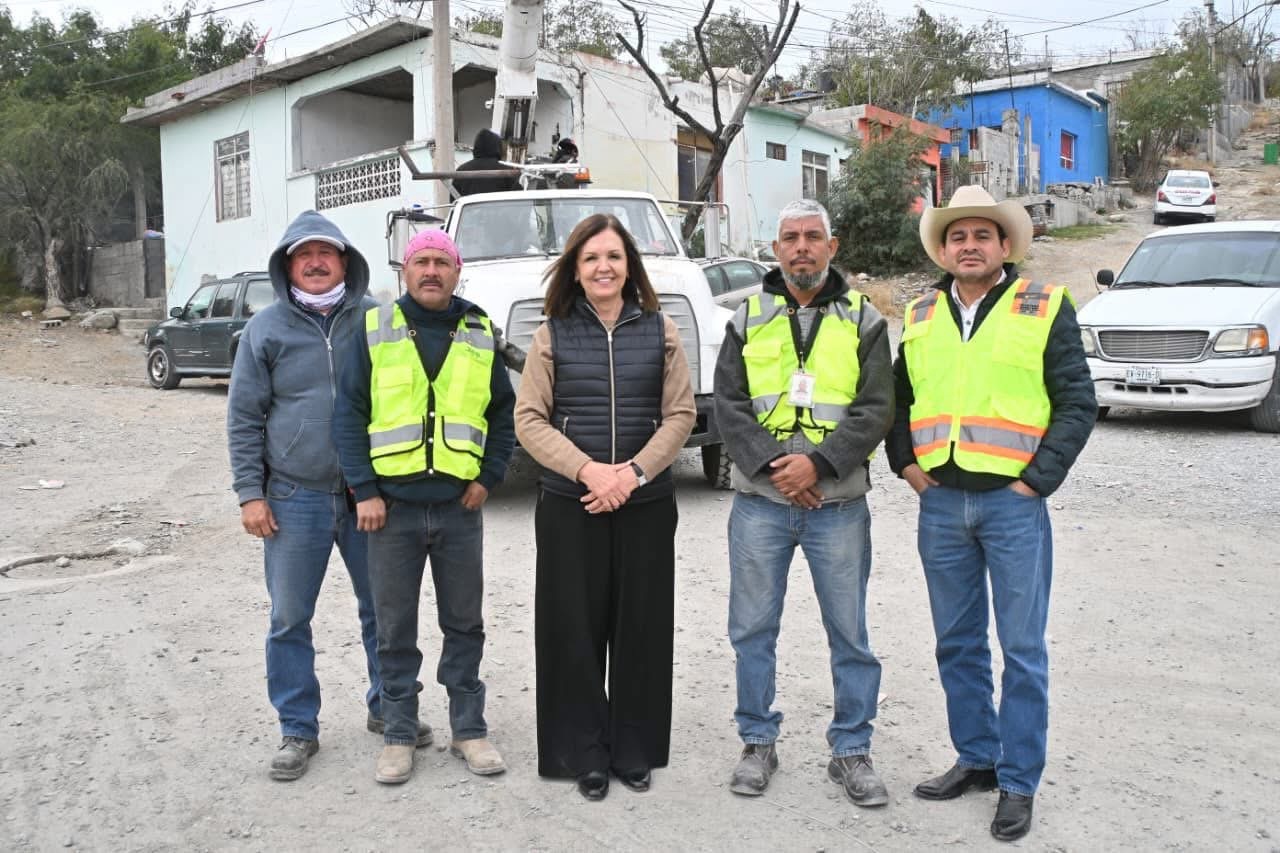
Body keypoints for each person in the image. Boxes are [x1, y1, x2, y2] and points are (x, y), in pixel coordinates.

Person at [886, 185, 1096, 842]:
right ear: (944, 250)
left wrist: (1037, 481)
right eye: (958, 237)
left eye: (982, 235)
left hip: (1013, 504)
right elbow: (898, 399)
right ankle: (977, 757)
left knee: (1023, 649)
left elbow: (1077, 401)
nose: (969, 246)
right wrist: (906, 465)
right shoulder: (920, 313)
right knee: (957, 642)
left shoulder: (1045, 307)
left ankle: (1018, 781)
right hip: (941, 502)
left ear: (1006, 245)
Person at [228, 210, 430, 781]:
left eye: (325, 253)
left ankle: (388, 706)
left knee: (383, 611)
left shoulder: (378, 320)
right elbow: (244, 417)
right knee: (289, 617)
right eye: (303, 255)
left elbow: (407, 398)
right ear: (287, 265)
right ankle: (297, 727)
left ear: (345, 262)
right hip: (294, 497)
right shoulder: (265, 329)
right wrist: (250, 494)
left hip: (369, 496)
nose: (315, 263)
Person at [713, 199, 894, 807]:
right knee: (752, 629)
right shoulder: (747, 316)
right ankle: (757, 742)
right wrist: (774, 466)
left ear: (832, 247)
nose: (801, 248)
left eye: (813, 237)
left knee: (849, 633)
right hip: (760, 504)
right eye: (790, 237)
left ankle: (852, 751)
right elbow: (729, 403)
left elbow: (876, 407)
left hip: (837, 505)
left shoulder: (865, 319)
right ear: (775, 249)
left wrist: (817, 464)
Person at [514, 213, 695, 802]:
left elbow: (681, 414)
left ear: (629, 266)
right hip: (572, 504)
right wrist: (589, 471)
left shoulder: (662, 329)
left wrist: (634, 473)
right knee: (572, 629)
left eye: (613, 256)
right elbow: (529, 419)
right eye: (591, 257)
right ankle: (582, 753)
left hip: (645, 503)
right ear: (575, 268)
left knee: (642, 628)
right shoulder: (552, 334)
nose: (603, 267)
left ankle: (634, 749)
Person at [332, 229, 516, 786]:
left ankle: (469, 729)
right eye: (421, 261)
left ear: (457, 272)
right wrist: (363, 490)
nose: (431, 270)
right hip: (391, 511)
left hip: (460, 509)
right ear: (404, 272)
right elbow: (349, 414)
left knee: (465, 623)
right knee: (394, 628)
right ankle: (398, 733)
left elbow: (502, 413)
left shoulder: (479, 331)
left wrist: (488, 476)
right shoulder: (374, 329)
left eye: (442, 261)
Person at [453, 128, 520, 197]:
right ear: (497, 147)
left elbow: (453, 199)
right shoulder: (507, 171)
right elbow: (518, 197)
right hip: (497, 204)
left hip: (470, 204)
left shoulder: (461, 171)